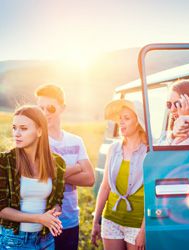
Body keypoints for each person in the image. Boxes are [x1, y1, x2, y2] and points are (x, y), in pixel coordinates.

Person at [35, 84, 95, 250]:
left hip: (70, 220)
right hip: (43, 221)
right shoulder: (36, 141)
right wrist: (76, 167)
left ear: (62, 108)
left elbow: (90, 178)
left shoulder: (76, 141)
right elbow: (42, 177)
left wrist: (55, 173)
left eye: (51, 108)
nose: (45, 113)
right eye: (41, 108)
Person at [0, 105, 65, 249]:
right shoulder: (4, 161)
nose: (16, 133)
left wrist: (53, 215)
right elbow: (1, 208)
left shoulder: (57, 163)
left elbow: (57, 200)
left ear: (40, 131)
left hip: (45, 239)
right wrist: (39, 219)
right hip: (14, 240)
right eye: (14, 128)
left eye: (23, 128)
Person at [91, 100, 147, 250]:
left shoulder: (149, 152)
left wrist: (144, 231)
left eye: (127, 118)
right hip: (111, 220)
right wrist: (96, 220)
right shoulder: (114, 148)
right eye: (120, 119)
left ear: (139, 121)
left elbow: (151, 195)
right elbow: (105, 186)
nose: (121, 123)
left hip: (136, 223)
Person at [158, 80, 189, 145]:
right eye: (169, 104)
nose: (172, 109)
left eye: (178, 104)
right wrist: (172, 136)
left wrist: (186, 120)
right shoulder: (168, 133)